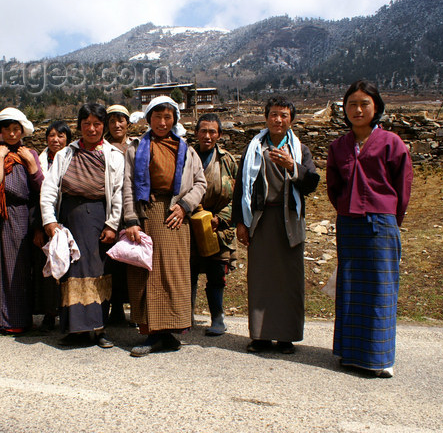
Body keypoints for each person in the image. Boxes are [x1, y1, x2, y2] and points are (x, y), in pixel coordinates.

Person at [327, 80, 413, 378]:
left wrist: (390, 217)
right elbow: (333, 187)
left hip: (381, 223)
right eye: (352, 104)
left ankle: (378, 359)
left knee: (380, 290)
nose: (358, 109)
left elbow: (403, 185)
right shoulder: (338, 146)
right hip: (349, 223)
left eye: (364, 103)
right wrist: (345, 208)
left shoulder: (391, 143)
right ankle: (349, 354)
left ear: (376, 107)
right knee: (350, 288)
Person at [232, 97, 320, 354]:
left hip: (289, 223)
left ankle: (285, 337)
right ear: (266, 117)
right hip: (260, 220)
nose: (278, 120)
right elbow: (241, 189)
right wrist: (240, 222)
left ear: (291, 119)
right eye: (273, 114)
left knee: (289, 281)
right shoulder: (254, 148)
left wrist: (293, 166)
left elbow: (312, 183)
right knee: (260, 279)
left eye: (283, 115)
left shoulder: (299, 150)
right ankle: (260, 336)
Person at [123, 96, 207, 357]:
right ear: (148, 119)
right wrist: (131, 219)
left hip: (174, 216)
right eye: (157, 117)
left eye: (167, 117)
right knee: (145, 274)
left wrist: (184, 206)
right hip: (145, 214)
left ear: (175, 120)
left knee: (172, 275)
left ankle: (168, 332)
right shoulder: (136, 148)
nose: (162, 122)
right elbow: (127, 185)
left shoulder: (186, 150)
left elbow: (200, 184)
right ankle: (151, 333)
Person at [40, 103, 124, 348]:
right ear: (79, 126)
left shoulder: (112, 156)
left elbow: (117, 193)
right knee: (71, 272)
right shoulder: (66, 154)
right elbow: (49, 188)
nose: (91, 128)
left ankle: (99, 329)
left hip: (99, 220)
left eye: (97, 124)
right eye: (86, 124)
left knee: (99, 272)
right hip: (70, 220)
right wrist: (50, 220)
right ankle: (74, 330)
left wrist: (111, 224)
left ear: (103, 126)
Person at [0, 107, 43, 333]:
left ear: (22, 132)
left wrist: (31, 164)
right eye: (6, 129)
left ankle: (19, 319)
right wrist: (0, 157)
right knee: (0, 268)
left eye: (16, 129)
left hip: (24, 215)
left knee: (20, 268)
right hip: (2, 214)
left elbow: (40, 186)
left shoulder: (30, 154)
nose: (11, 134)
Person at [191, 113, 238, 336]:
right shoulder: (187, 156)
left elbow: (236, 196)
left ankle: (217, 317)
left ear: (219, 134)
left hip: (218, 226)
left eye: (212, 132)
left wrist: (220, 218)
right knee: (186, 272)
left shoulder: (227, 160)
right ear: (196, 132)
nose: (207, 136)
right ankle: (185, 315)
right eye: (203, 131)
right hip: (189, 222)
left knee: (216, 272)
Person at [34, 120, 72, 331]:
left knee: (68, 267)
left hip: (67, 219)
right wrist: (40, 227)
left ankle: (67, 312)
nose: (55, 140)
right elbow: (36, 197)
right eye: (51, 135)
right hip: (46, 221)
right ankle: (49, 313)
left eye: (61, 136)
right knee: (48, 270)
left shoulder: (72, 159)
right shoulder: (39, 162)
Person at [104, 105, 133, 325]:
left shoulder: (136, 146)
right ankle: (112, 308)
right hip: (108, 211)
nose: (117, 125)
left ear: (128, 123)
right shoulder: (101, 147)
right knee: (110, 261)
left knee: (130, 260)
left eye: (121, 120)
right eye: (112, 121)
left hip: (131, 210)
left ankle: (130, 306)